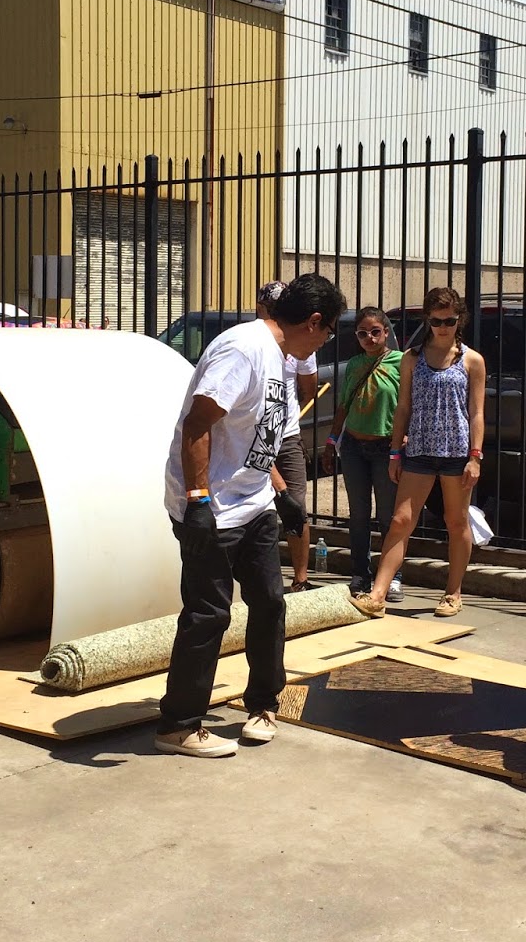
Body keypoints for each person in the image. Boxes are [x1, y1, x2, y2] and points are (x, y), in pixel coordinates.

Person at [158, 273, 346, 758]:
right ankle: (179, 724)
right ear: (314, 321)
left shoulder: (284, 360)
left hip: (255, 500)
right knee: (208, 614)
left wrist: (281, 492)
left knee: (269, 602)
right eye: (328, 333)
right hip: (213, 507)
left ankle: (263, 704)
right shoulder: (244, 350)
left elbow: (261, 438)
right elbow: (197, 424)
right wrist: (198, 502)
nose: (326, 344)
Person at [352, 287, 486, 620]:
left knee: (456, 523)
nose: (443, 327)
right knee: (400, 521)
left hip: (456, 452)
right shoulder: (412, 357)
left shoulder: (472, 360)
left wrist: (475, 456)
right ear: (427, 319)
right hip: (421, 451)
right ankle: (378, 594)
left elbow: (476, 411)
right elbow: (404, 407)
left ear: (459, 320)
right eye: (437, 320)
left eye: (450, 320)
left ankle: (453, 593)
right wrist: (395, 451)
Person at [321, 306, 405, 601]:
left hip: (385, 447)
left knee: (388, 515)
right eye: (362, 333)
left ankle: (392, 576)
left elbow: (408, 405)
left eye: (375, 332)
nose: (369, 338)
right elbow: (343, 406)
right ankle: (360, 573)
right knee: (358, 514)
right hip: (355, 446)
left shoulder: (400, 363)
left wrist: (403, 439)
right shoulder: (355, 365)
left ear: (385, 332)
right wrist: (332, 440)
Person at [257, 280, 317, 590]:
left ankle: (300, 579)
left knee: (295, 507)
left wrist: (287, 414)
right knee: (259, 506)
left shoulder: (302, 346)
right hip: (256, 435)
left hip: (287, 437)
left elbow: (308, 391)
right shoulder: (255, 343)